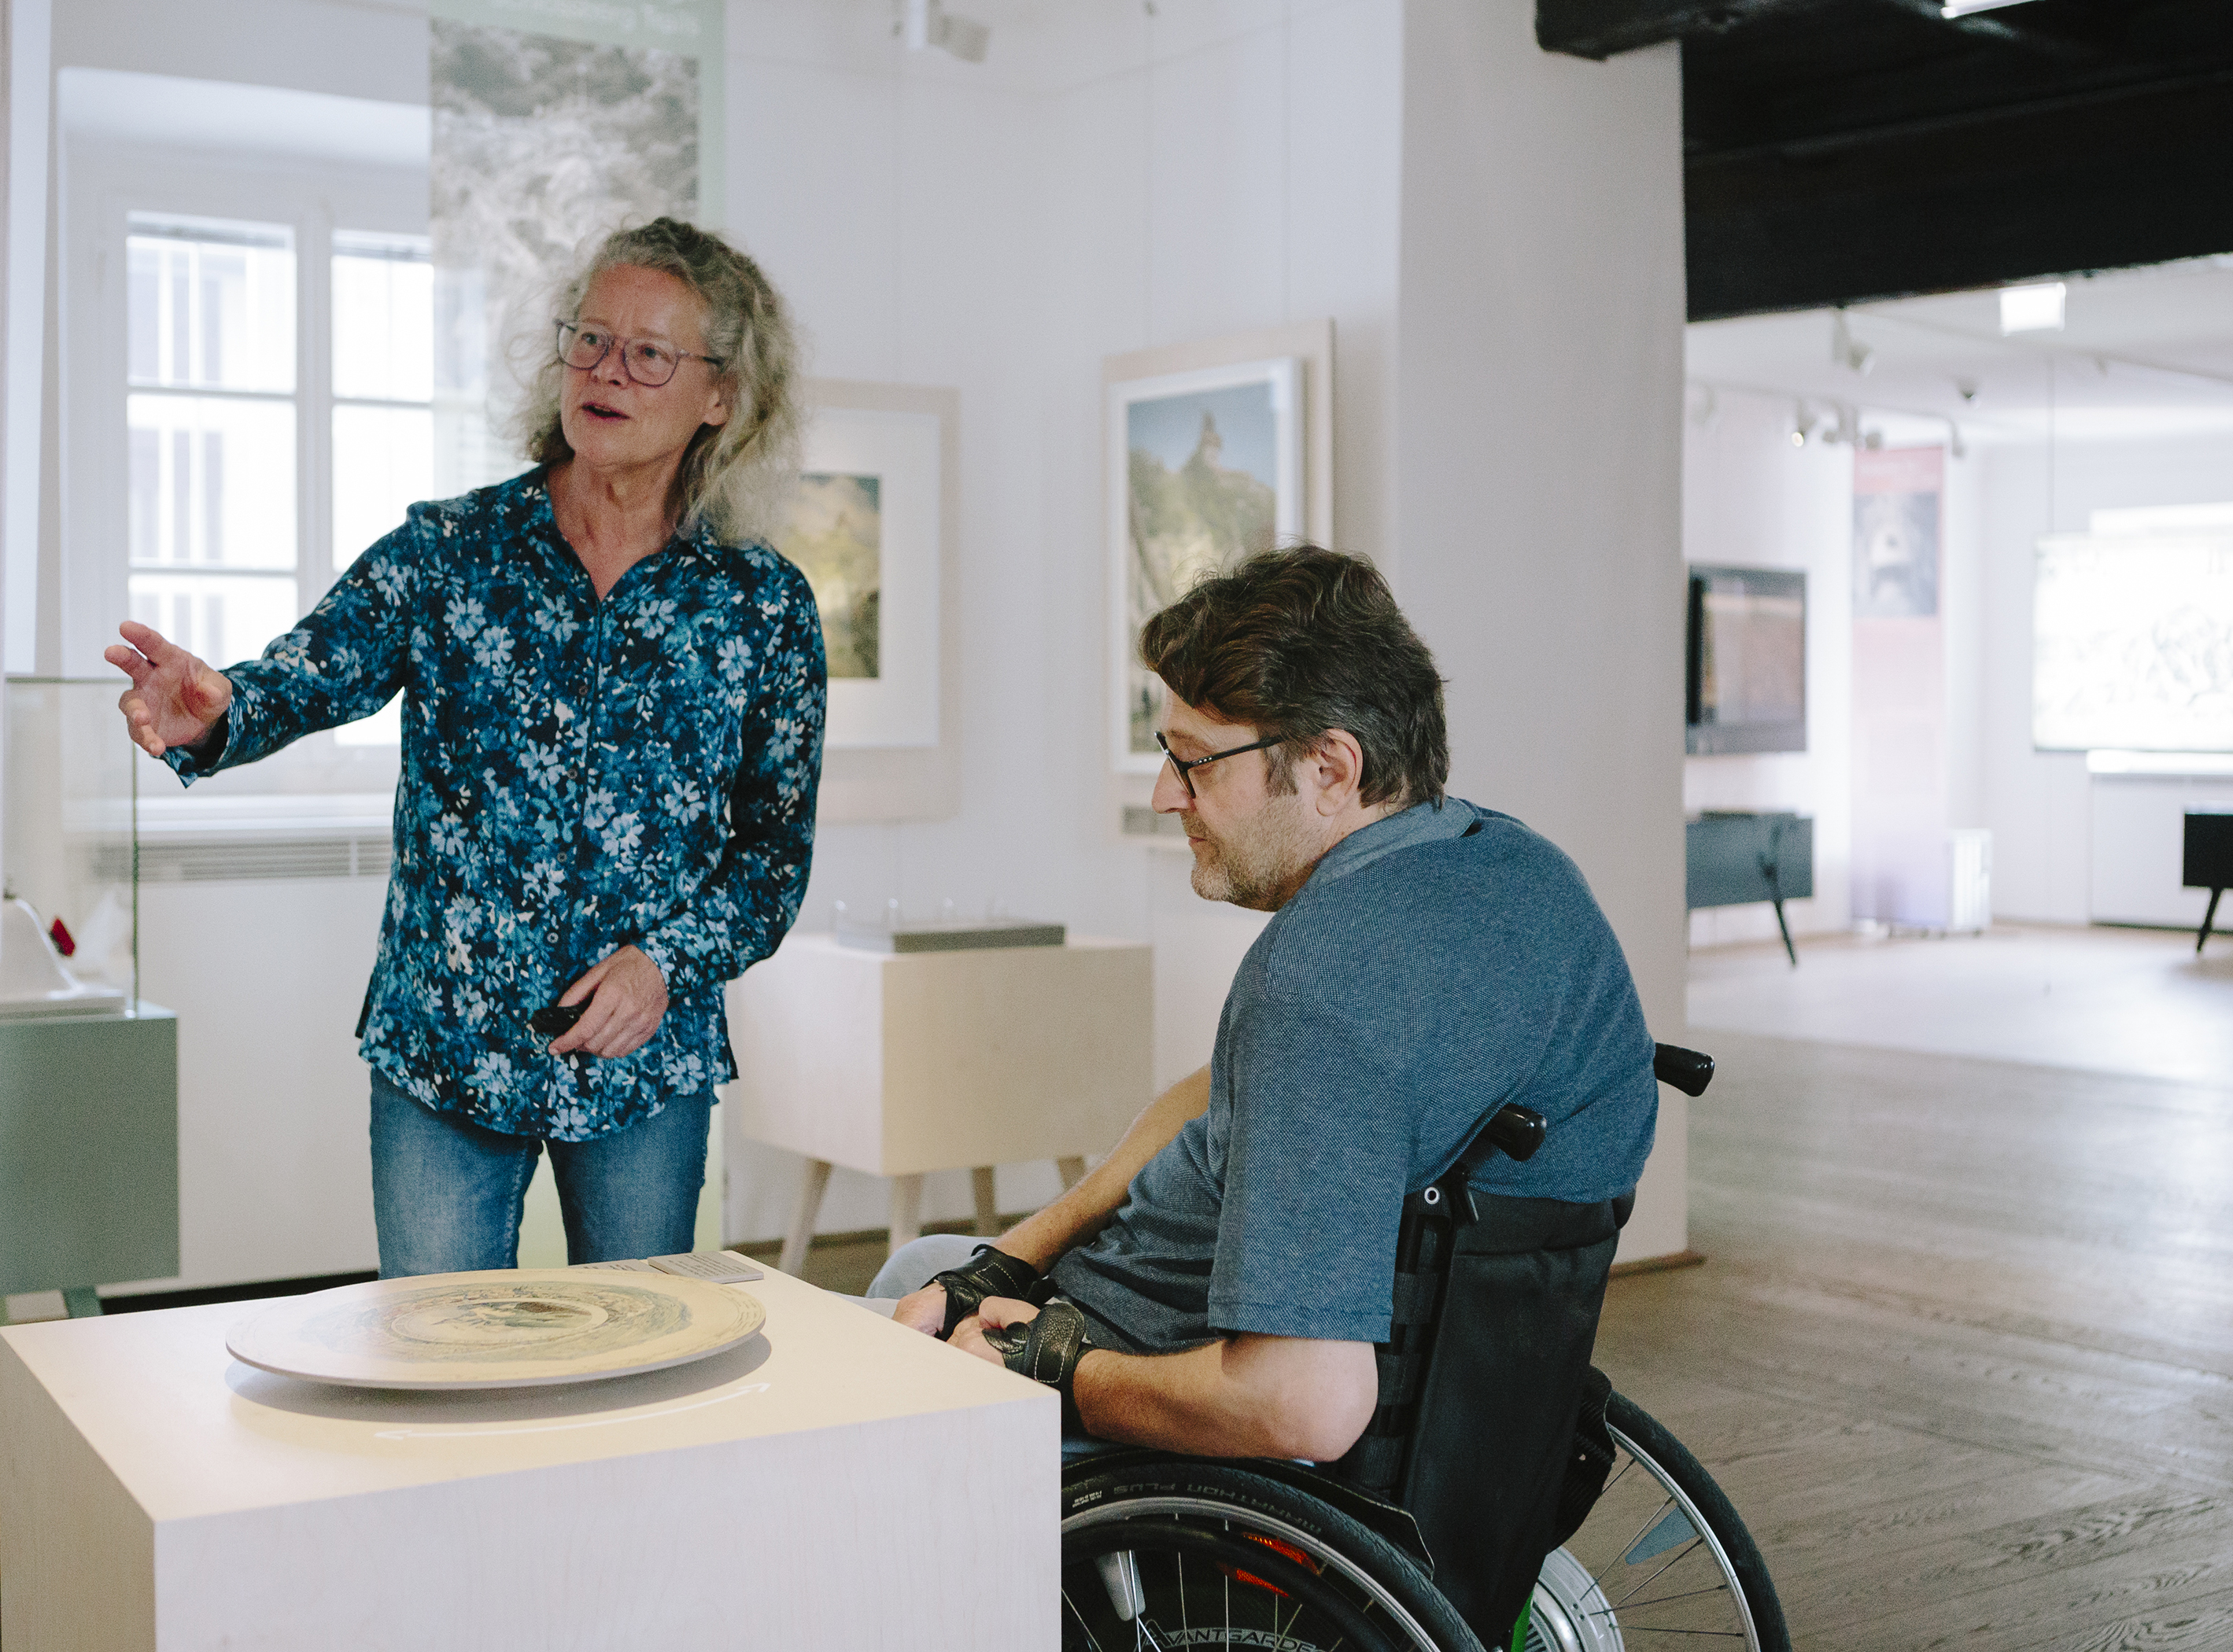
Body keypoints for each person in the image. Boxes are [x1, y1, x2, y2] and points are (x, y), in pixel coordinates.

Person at [105, 219, 827, 1278]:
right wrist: (214, 714)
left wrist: (666, 966)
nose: (605, 371)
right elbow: (308, 674)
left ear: (720, 393)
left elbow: (771, 858)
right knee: (433, 1353)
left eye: (647, 353)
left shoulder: (762, 606)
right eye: (590, 339)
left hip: (641, 1064)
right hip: (444, 1045)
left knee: (638, 1353)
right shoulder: (450, 551)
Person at [873, 546, 1659, 1461]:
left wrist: (1054, 1369)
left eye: (1196, 762)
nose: (1165, 796)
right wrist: (1027, 1248)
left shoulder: (1317, 989)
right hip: (1398, 1377)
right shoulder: (1520, 872)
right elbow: (1229, 1092)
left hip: (1151, 1385)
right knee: (926, 1262)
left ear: (1330, 768)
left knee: (869, 1332)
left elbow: (1300, 1403)